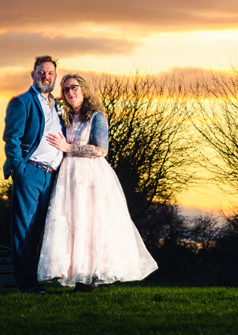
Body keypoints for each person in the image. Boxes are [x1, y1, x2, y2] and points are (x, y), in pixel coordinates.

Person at [36, 73, 158, 289]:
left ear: (83, 89)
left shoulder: (96, 116)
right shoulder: (66, 116)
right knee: (72, 222)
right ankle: (75, 274)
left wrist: (68, 148)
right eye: (65, 89)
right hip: (69, 177)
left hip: (91, 176)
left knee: (91, 222)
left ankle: (91, 275)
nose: (70, 92)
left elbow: (101, 149)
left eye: (74, 87)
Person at [3, 54, 63, 294]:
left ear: (55, 77)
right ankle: (25, 283)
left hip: (53, 176)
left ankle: (36, 280)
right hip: (31, 172)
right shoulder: (22, 102)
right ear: (33, 74)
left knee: (41, 229)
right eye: (41, 72)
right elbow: (12, 138)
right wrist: (20, 169)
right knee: (24, 228)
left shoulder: (58, 105)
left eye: (49, 73)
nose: (45, 76)